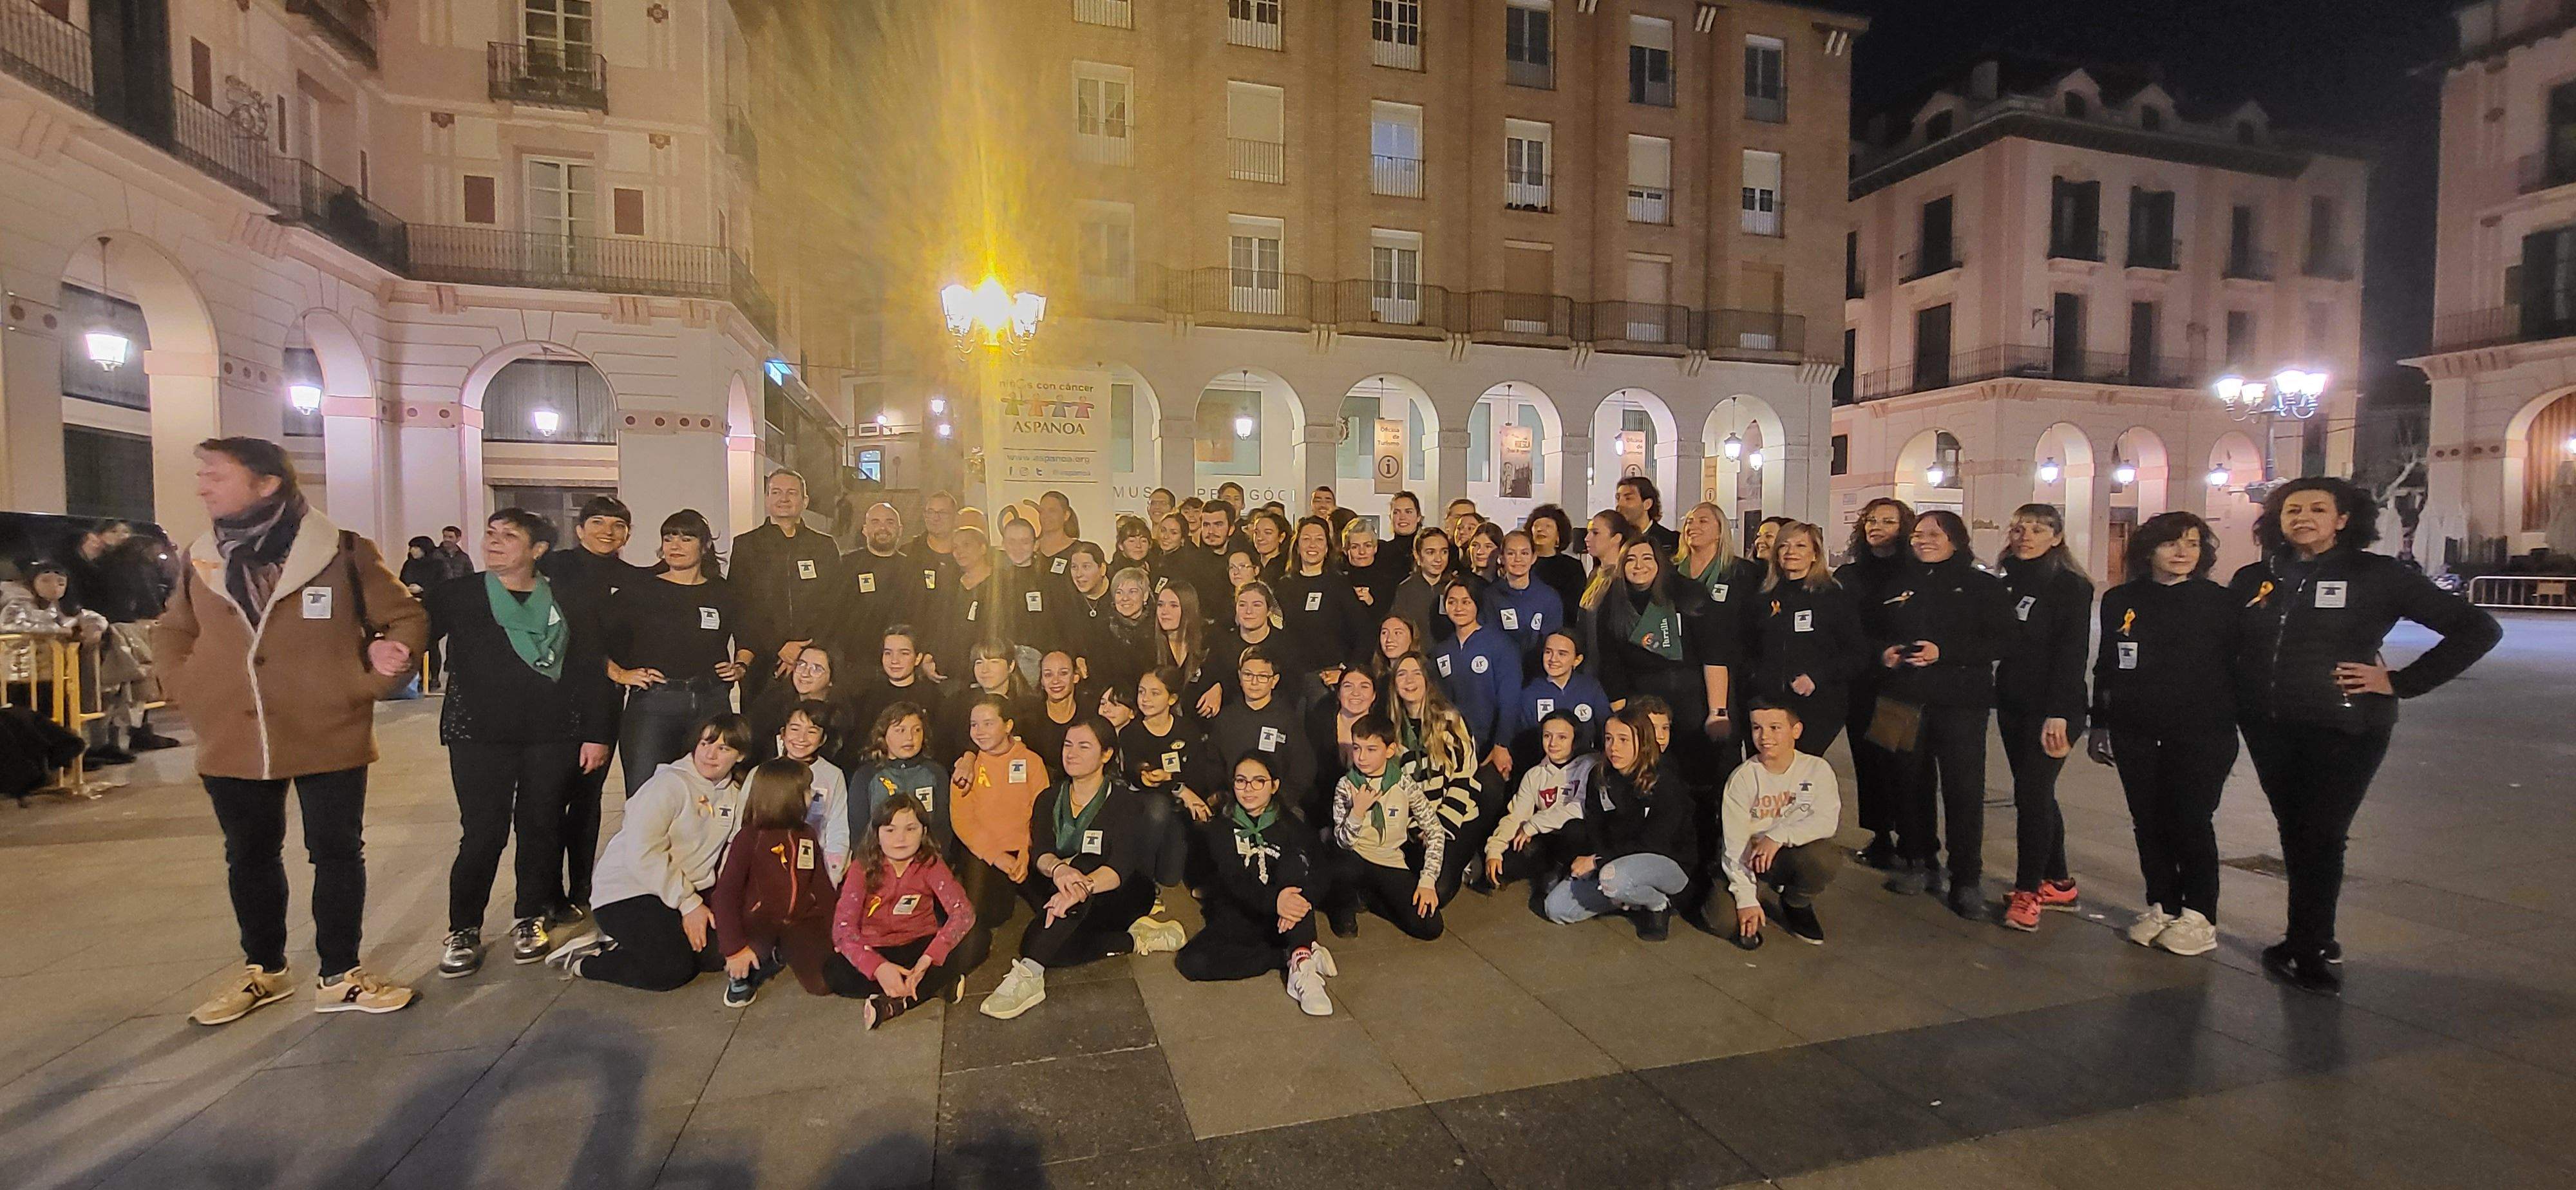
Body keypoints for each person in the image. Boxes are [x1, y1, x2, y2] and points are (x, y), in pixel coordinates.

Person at [158, 439, 427, 1024]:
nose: (203, 486)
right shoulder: (201, 557)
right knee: (248, 854)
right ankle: (265, 969)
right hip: (232, 732)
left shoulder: (341, 551)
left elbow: (405, 615)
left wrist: (384, 665)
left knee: (336, 851)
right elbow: (175, 630)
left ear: (267, 483)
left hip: (328, 726)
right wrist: (187, 686)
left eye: (217, 475)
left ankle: (340, 973)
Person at [2228, 477, 2500, 995]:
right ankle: (2312, 934)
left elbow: (2478, 629)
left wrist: (2400, 681)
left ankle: (2308, 947)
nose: (2303, 518)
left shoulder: (2377, 575)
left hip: (2346, 724)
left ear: (2343, 519)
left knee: (2322, 833)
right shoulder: (2255, 578)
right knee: (2296, 831)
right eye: (2292, 510)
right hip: (2269, 725)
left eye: (2317, 509)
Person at [429, 509, 616, 978]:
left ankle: (530, 916)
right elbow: (409, 632)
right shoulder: (459, 595)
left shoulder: (567, 599)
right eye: (491, 533)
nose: (494, 542)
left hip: (552, 732)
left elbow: (590, 667)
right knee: (482, 832)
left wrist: (597, 733)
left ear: (537, 550)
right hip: (478, 734)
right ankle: (463, 928)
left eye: (509, 536)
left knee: (541, 825)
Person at [2090, 511, 2238, 959]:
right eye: (2171, 543)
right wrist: (2100, 722)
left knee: (2191, 819)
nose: (2182, 552)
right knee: (2148, 819)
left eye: (2192, 544)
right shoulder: (2121, 600)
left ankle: (2200, 914)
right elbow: (2108, 664)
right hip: (2135, 729)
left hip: (2202, 730)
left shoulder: (2219, 602)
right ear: (2148, 549)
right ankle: (2163, 904)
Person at [981, 717, 1171, 1019]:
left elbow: (1120, 867)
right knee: (1043, 943)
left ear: (1106, 754)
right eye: (1068, 745)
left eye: (1084, 747)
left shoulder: (1124, 802)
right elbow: (1041, 853)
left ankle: (1029, 974)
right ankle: (1135, 940)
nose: (1071, 753)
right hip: (1064, 894)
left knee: (1085, 863)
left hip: (1119, 893)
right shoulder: (1049, 798)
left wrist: (1081, 886)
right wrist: (1060, 871)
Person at [547, 715, 752, 990]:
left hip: (681, 893)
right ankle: (586, 960)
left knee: (718, 955)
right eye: (705, 743)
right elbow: (642, 853)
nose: (710, 754)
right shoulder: (668, 785)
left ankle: (630, 942)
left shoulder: (734, 793)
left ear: (741, 756)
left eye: (723, 748)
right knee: (671, 969)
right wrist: (689, 904)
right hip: (630, 891)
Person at [1874, 509, 2011, 920]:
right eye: (1918, 534)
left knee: (1963, 790)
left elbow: (2004, 640)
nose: (1923, 540)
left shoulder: (1982, 586)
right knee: (1907, 784)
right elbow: (1870, 630)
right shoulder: (1895, 584)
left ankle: (1966, 877)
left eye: (1934, 534)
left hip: (1960, 702)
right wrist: (1884, 652)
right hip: (1901, 699)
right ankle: (1918, 860)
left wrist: (1945, 653)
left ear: (1955, 540)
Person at [537, 495, 641, 919]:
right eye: (598, 523)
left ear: (628, 535)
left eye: (618, 526)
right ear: (579, 529)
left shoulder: (633, 580)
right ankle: (543, 895)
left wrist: (621, 670)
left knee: (586, 798)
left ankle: (581, 888)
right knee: (545, 800)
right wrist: (605, 663)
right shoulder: (552, 567)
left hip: (602, 701)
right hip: (550, 697)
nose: (607, 532)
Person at [1994, 504, 2094, 933]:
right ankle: (2059, 882)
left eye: (2038, 529)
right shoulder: (2008, 581)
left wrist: (2059, 713)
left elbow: (2072, 654)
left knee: (2032, 796)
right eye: (2019, 529)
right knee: (2035, 792)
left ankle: (2027, 891)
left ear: (2057, 537)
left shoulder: (2069, 586)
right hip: (2014, 702)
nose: (2026, 537)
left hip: (2054, 707)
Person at [605, 510, 752, 798]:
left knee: (710, 792)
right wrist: (621, 674)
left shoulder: (723, 592)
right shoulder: (640, 590)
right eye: (669, 538)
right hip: (654, 704)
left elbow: (748, 636)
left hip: (711, 701)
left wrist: (741, 665)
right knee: (647, 794)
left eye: (686, 539)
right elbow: (596, 640)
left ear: (705, 546)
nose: (675, 546)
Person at [1178, 753, 1336, 1011]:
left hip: (1288, 916)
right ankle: (1288, 956)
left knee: (1293, 866)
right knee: (1192, 962)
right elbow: (1234, 880)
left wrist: (1299, 901)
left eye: (1258, 781)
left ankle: (1303, 966)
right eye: (1241, 781)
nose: (1248, 789)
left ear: (1274, 785)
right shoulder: (1222, 829)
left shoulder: (1291, 825)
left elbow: (1321, 871)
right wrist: (1275, 901)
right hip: (1245, 911)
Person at [826, 793, 976, 1028]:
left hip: (920, 946)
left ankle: (896, 1002)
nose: (901, 838)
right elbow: (843, 929)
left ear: (924, 832)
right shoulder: (862, 867)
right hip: (877, 948)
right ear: (877, 833)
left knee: (977, 941)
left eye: (911, 829)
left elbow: (963, 913)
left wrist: (929, 957)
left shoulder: (931, 864)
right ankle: (933, 986)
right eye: (890, 830)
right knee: (833, 972)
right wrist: (878, 967)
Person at [1544, 706, 1692, 939]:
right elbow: (1596, 827)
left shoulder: (1664, 782)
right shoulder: (1600, 777)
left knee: (1612, 878)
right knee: (1556, 908)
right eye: (1609, 739)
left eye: (1623, 740)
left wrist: (1598, 861)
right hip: (1615, 863)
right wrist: (1599, 860)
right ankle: (1625, 899)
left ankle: (1658, 904)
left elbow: (1655, 843)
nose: (1614, 748)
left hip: (1666, 864)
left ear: (1642, 742)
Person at [710, 759, 840, 1006]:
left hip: (801, 920)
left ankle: (781, 953)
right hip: (759, 921)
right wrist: (734, 948)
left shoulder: (807, 835)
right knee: (748, 960)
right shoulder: (749, 838)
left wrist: (839, 931)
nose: (812, 795)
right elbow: (726, 895)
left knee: (823, 983)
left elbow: (822, 888)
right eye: (806, 790)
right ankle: (743, 973)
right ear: (785, 797)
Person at [1719, 703, 1842, 949]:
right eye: (1757, 728)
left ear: (1796, 730)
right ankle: (1758, 892)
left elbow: (1826, 821)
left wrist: (1778, 836)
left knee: (1824, 857)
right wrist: (1746, 899)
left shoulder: (1817, 769)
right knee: (1722, 922)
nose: (1765, 736)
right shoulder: (1743, 778)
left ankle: (1796, 901)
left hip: (1786, 854)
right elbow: (1734, 844)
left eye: (1775, 728)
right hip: (1748, 858)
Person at [1837, 497, 1917, 870]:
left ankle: (1912, 839)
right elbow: (1842, 628)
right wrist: (1874, 652)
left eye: (1887, 521)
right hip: (1861, 680)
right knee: (1867, 761)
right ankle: (1880, 835)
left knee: (1898, 762)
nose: (1876, 527)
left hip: (1898, 684)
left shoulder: (1913, 575)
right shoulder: (1850, 576)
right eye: (1871, 520)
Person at [1316, 714, 1446, 940]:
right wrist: (1357, 812)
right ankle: (1342, 907)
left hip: (1389, 860)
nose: (1361, 757)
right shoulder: (1346, 785)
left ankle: (1373, 898)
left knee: (1430, 927)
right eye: (1357, 748)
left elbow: (1435, 830)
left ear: (1389, 750)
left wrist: (1428, 880)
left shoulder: (1404, 784)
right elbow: (1343, 841)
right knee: (1340, 868)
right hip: (1355, 856)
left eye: (1371, 750)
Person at [946, 695, 1050, 972]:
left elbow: (1040, 813)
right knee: (989, 914)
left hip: (1027, 848)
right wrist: (998, 857)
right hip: (988, 851)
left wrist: (1026, 853)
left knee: (1051, 907)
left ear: (1008, 725)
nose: (979, 731)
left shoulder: (1031, 762)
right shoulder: (966, 768)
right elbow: (963, 822)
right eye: (974, 725)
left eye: (988, 723)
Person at [1750, 522, 1868, 756]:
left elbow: (1857, 654)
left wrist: (1817, 677)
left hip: (1818, 704)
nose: (1791, 552)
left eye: (1800, 546)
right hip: (1770, 702)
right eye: (1784, 546)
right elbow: (1751, 647)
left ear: (1815, 554)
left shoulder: (1833, 596)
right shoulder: (1763, 597)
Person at [729, 469, 840, 702]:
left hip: (813, 663)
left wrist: (804, 652)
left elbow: (834, 604)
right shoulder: (747, 546)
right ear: (767, 499)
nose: (784, 498)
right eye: (776, 492)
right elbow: (741, 606)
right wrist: (779, 646)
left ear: (805, 501)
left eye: (792, 493)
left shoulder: (824, 547)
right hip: (762, 661)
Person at [1386, 651, 1489, 898]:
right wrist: (1416, 827)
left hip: (1455, 817)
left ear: (1427, 680)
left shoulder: (1450, 721)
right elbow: (1394, 790)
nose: (1409, 681)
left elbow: (1464, 779)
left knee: (1439, 891)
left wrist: (1438, 827)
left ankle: (1467, 856)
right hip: (1417, 825)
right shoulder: (1391, 730)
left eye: (1416, 673)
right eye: (1402, 674)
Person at [1483, 713, 1597, 894]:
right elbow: (1517, 816)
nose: (1553, 743)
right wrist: (1495, 850)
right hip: (1547, 839)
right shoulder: (1535, 775)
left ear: (1575, 740)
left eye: (1562, 737)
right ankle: (1550, 871)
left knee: (1575, 829)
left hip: (1578, 838)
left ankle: (1566, 876)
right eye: (1547, 736)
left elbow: (1579, 808)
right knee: (1502, 869)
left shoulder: (1590, 765)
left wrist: (1534, 824)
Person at [839, 502, 951, 668]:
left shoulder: (915, 569)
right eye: (875, 522)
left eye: (890, 522)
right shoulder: (846, 565)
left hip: (904, 666)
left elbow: (927, 617)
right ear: (865, 529)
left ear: (900, 530)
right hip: (857, 664)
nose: (883, 528)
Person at [1430, 576, 1521, 777]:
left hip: (1491, 748)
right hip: (1453, 746)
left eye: (1466, 602)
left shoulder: (1500, 645)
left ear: (1477, 604)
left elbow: (1510, 700)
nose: (1459, 608)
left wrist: (1502, 744)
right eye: (1452, 602)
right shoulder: (1442, 651)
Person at [1208, 647, 1315, 813]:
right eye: (1248, 675)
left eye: (1263, 677)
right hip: (1234, 805)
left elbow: (1304, 768)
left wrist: (1280, 801)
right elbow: (1213, 764)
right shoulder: (1225, 719)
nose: (1254, 682)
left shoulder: (1287, 719)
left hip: (1278, 805)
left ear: (1275, 680)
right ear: (1240, 677)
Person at [1274, 516, 1370, 681]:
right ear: (1297, 546)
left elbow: (1363, 632)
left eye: (1319, 539)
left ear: (1327, 548)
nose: (1312, 545)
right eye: (1306, 539)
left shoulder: (1339, 584)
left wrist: (1347, 671)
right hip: (1292, 678)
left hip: (1329, 677)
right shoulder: (1284, 586)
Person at [849, 701, 949, 853]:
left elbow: (942, 827)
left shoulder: (936, 773)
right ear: (884, 734)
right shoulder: (866, 775)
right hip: (878, 859)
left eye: (917, 730)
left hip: (925, 859)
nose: (910, 738)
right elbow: (859, 831)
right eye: (900, 730)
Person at [847, 625, 943, 757]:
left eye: (904, 653)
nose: (894, 660)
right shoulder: (867, 697)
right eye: (888, 653)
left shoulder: (933, 698)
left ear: (918, 658)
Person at [1302, 666, 1381, 826]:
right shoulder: (1318, 724)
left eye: (1364, 687)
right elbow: (1308, 777)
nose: (1356, 693)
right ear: (1339, 694)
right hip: (1320, 815)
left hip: (1370, 820)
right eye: (1348, 686)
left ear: (1374, 696)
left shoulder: (1382, 732)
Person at [746, 643, 848, 760]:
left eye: (817, 669)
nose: (805, 673)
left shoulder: (839, 718)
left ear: (832, 679)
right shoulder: (773, 703)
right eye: (801, 664)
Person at [939, 640, 1033, 764]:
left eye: (994, 662)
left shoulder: (1029, 707)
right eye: (979, 662)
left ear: (1011, 666)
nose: (985, 670)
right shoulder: (956, 704)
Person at [1483, 530, 1566, 669]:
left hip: (1539, 672)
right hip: (1502, 669)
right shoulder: (1491, 596)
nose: (1518, 559)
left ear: (1534, 558)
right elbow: (1489, 638)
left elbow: (1553, 641)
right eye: (1511, 554)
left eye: (1525, 553)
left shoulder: (1549, 597)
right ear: (1502, 558)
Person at [1388, 527, 1470, 629]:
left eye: (1444, 552)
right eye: (1431, 553)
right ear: (1417, 555)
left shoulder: (1456, 587)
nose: (1438, 559)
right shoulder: (1405, 589)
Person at [1524, 505, 1587, 614]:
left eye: (1548, 526)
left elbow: (1574, 606)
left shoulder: (1572, 567)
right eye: (1536, 526)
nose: (1540, 530)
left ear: (1558, 535)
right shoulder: (1522, 562)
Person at [1341, 518, 1400, 610]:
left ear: (1375, 548)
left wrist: (1371, 602)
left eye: (1368, 546)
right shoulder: (1338, 579)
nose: (1362, 552)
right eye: (1355, 547)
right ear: (1346, 550)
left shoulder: (1389, 579)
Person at [1616, 475, 1680, 556]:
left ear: (1647, 504)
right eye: (1618, 499)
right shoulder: (1614, 541)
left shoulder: (1671, 540)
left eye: (1628, 498)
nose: (1620, 504)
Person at [905, 490, 961, 563]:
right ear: (924, 515)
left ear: (956, 517)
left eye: (943, 513)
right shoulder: (908, 553)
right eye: (930, 512)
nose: (936, 518)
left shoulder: (966, 555)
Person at [1383, 491, 1424, 563]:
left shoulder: (1428, 551)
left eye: (1408, 512)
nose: (1402, 517)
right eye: (1396, 512)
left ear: (1418, 517)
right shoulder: (1381, 551)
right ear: (1390, 517)